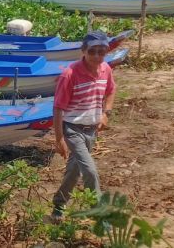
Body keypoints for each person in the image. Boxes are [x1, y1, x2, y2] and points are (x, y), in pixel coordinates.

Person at [51, 30, 116, 218]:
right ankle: (100, 213)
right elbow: (57, 108)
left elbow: (111, 90)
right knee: (90, 171)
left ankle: (58, 205)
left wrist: (106, 113)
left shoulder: (106, 70)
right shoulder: (69, 75)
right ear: (83, 51)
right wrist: (59, 139)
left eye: (101, 52)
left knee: (73, 171)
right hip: (72, 129)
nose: (96, 56)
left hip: (92, 130)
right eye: (92, 51)